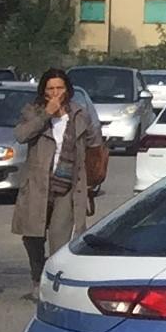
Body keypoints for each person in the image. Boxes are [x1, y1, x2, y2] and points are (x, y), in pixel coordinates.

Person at [12, 67, 108, 283]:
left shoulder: (79, 114)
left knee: (60, 239)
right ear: (44, 91)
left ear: (67, 90)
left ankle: (53, 282)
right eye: (51, 88)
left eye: (60, 88)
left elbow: (95, 144)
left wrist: (93, 176)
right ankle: (37, 275)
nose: (55, 92)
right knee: (33, 236)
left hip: (67, 185)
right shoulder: (32, 111)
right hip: (38, 183)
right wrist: (47, 113)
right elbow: (20, 135)